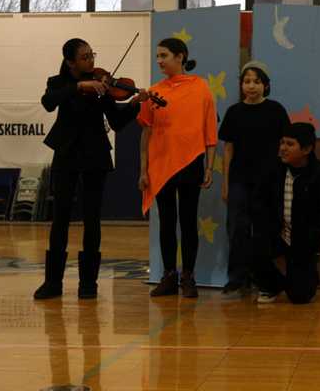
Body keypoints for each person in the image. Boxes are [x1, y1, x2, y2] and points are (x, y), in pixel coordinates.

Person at [34, 38, 149, 300]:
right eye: (85, 57)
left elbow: (117, 122)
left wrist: (134, 104)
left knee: (92, 218)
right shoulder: (59, 83)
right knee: (61, 217)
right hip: (67, 153)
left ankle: (89, 284)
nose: (92, 61)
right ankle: (53, 283)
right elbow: (48, 101)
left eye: (92, 55)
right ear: (70, 62)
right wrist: (79, 86)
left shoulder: (103, 85)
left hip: (95, 154)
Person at [138, 37, 217, 298]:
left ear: (180, 57)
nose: (159, 60)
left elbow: (210, 131)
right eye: (157, 56)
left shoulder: (201, 87)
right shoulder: (153, 92)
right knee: (167, 223)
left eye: (164, 55)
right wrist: (143, 170)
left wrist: (209, 166)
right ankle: (169, 275)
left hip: (191, 162)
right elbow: (146, 134)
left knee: (188, 221)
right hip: (161, 164)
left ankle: (189, 277)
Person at [218, 61, 291, 294]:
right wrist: (226, 183)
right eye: (247, 81)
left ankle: (263, 278)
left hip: (270, 180)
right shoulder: (234, 112)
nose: (251, 86)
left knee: (265, 229)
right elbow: (228, 149)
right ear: (241, 85)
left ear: (265, 85)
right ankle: (237, 276)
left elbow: (285, 145)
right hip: (240, 179)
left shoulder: (276, 110)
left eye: (256, 82)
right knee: (237, 228)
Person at [251, 123, 320, 304]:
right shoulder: (272, 170)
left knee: (300, 296)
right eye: (282, 143)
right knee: (247, 248)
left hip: (305, 240)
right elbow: (258, 201)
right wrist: (266, 227)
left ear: (307, 149)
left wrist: (314, 234)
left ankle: (303, 278)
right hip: (276, 235)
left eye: (290, 144)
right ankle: (272, 285)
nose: (283, 148)